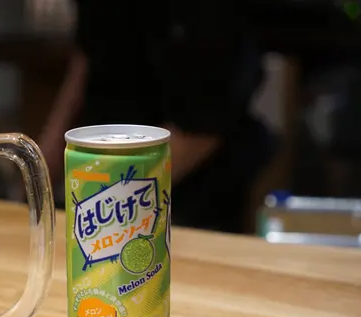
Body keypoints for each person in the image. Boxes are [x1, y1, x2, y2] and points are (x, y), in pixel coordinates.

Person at [38, 0, 277, 233]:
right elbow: (87, 53)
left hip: (194, 186)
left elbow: (205, 123)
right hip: (100, 175)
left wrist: (111, 205)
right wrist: (44, 164)